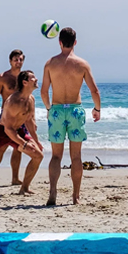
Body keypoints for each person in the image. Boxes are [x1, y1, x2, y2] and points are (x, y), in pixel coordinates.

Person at [41, 27, 101, 206]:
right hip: (75, 110)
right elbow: (94, 90)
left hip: (57, 109)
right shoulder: (82, 64)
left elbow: (44, 92)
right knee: (76, 156)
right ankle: (75, 197)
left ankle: (53, 191)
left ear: (59, 42)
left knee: (56, 156)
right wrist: (97, 109)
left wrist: (49, 108)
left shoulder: (50, 63)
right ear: (75, 42)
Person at [0, 49, 25, 187]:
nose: (18, 62)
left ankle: (15, 178)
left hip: (21, 117)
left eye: (20, 59)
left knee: (19, 147)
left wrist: (32, 119)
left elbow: (29, 99)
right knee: (0, 147)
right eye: (16, 60)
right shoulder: (2, 77)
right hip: (6, 116)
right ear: (10, 61)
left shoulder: (25, 78)